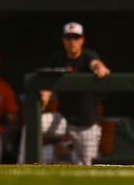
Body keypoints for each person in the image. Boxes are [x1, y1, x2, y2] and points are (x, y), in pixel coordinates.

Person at [42, 23, 110, 165]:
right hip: (63, 119)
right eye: (69, 38)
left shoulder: (87, 56)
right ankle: (22, 164)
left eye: (76, 38)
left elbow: (95, 63)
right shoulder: (57, 58)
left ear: (82, 39)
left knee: (87, 167)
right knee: (36, 122)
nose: (72, 41)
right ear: (63, 40)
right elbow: (46, 84)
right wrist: (45, 94)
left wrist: (99, 67)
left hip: (86, 124)